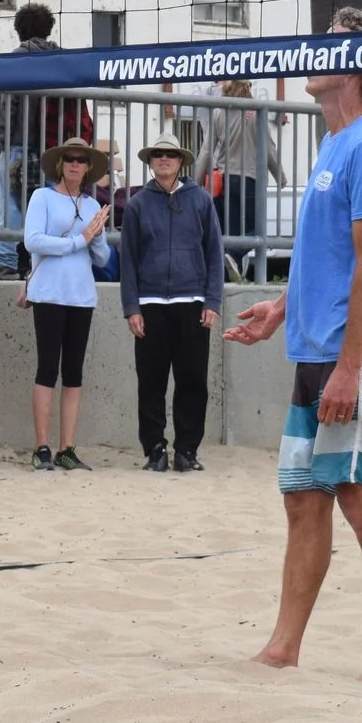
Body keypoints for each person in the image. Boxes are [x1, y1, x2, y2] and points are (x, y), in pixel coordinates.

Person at [225, 4, 362, 682]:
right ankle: (283, 646)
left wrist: (349, 367)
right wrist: (282, 308)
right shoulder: (333, 143)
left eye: (330, 43)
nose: (314, 49)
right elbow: (331, 255)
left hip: (355, 356)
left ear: (360, 65)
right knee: (303, 498)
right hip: (317, 349)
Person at [117, 133, 223, 473]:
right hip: (149, 304)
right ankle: (155, 450)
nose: (164, 159)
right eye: (158, 154)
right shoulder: (136, 205)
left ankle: (187, 451)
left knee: (193, 381)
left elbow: (214, 253)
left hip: (192, 302)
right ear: (150, 161)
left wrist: (212, 301)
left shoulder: (201, 201)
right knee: (151, 381)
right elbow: (127, 260)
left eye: (171, 155)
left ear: (181, 161)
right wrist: (132, 307)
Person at [23, 136, 111, 471]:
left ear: (88, 168)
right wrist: (79, 240)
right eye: (70, 159)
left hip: (80, 296)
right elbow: (33, 241)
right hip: (49, 293)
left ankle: (67, 448)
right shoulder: (42, 197)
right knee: (47, 368)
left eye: (81, 160)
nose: (75, 164)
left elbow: (102, 258)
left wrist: (96, 237)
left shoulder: (92, 205)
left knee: (73, 371)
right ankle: (41, 446)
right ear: (61, 165)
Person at [0, 3, 86, 275]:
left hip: (18, 145)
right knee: (49, 205)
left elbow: (7, 106)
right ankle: (47, 262)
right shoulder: (61, 61)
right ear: (48, 29)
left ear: (19, 30)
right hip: (54, 149)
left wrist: (3, 139)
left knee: (10, 203)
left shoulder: (18, 59)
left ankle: (4, 261)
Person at [196, 79, 284, 239]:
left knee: (230, 233)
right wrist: (280, 178)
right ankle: (235, 252)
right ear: (247, 89)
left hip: (224, 180)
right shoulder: (257, 112)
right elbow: (268, 148)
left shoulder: (218, 113)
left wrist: (196, 182)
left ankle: (230, 253)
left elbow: (206, 151)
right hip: (250, 179)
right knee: (256, 231)